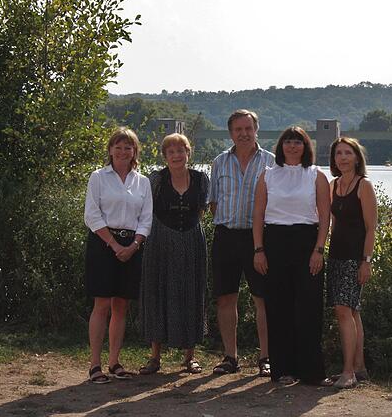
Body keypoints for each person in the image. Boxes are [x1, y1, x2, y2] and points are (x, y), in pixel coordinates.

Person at [252, 126, 332, 386]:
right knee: (278, 308)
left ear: (305, 146)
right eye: (288, 141)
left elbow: (324, 217)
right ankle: (283, 369)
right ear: (281, 146)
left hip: (307, 242)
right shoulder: (267, 175)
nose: (292, 146)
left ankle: (310, 371)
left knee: (309, 308)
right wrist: (259, 250)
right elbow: (258, 215)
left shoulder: (316, 175)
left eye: (298, 142)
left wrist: (319, 250)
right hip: (274, 243)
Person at [83, 127, 153, 384]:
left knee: (121, 305)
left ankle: (114, 362)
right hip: (103, 242)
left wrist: (133, 245)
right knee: (101, 304)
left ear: (135, 151)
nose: (123, 151)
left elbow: (146, 219)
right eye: (118, 146)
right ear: (110, 149)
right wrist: (114, 245)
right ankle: (95, 366)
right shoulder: (98, 177)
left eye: (128, 147)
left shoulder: (142, 181)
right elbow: (92, 215)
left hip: (132, 246)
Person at [208, 109, 274, 376]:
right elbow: (213, 202)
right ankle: (230, 357)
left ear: (256, 130)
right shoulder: (219, 162)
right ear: (231, 133)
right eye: (238, 130)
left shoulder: (271, 162)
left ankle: (266, 357)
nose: (244, 134)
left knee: (263, 299)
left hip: (259, 238)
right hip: (226, 236)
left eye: (248, 129)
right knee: (226, 298)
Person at [138, 133, 209, 375]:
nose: (177, 155)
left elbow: (200, 211)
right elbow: (146, 209)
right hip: (160, 239)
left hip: (191, 239)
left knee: (191, 292)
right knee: (157, 291)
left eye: (181, 150)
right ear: (165, 156)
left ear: (189, 153)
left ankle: (190, 357)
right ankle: (155, 357)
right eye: (172, 152)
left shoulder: (201, 179)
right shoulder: (156, 179)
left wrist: (185, 234)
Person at [326, 137, 377, 389]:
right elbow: (332, 223)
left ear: (357, 157)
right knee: (352, 311)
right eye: (338, 154)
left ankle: (348, 373)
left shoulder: (363, 186)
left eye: (348, 153)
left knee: (344, 310)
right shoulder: (333, 185)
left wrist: (366, 261)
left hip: (354, 259)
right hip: (335, 256)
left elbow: (371, 228)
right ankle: (360, 367)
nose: (343, 157)